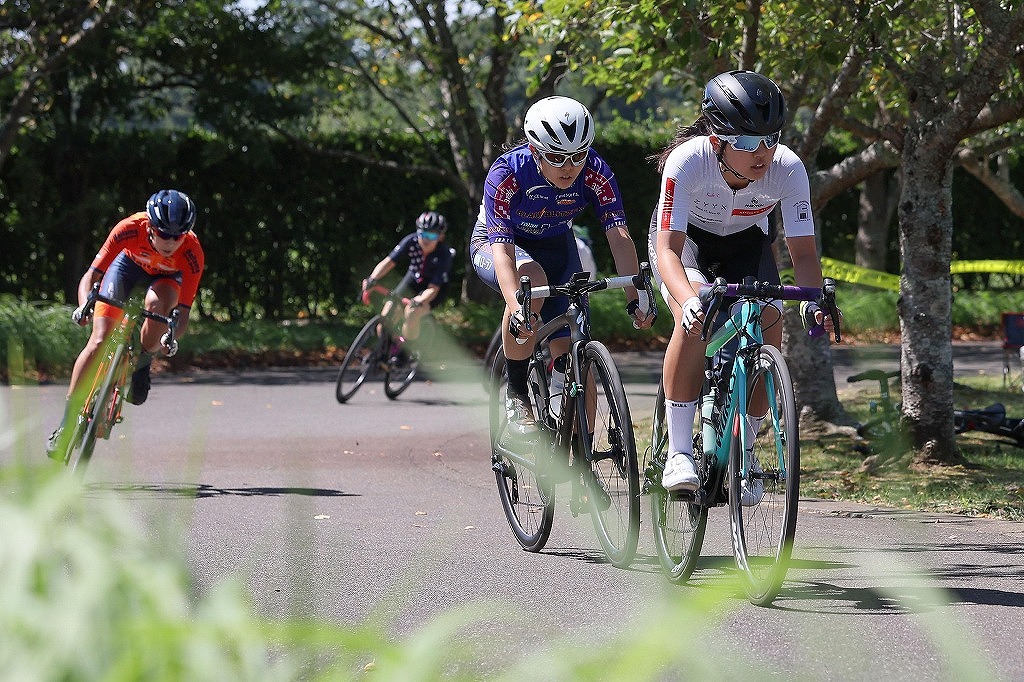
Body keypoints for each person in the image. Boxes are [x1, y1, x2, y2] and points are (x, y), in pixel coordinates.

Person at [648, 70, 840, 495]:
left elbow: (803, 254)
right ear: (717, 142)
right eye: (749, 142)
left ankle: (744, 447)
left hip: (745, 244)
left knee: (771, 319)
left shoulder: (788, 169)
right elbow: (667, 251)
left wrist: (813, 301)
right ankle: (679, 451)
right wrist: (687, 299)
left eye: (771, 139)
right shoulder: (688, 161)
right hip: (688, 244)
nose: (763, 153)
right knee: (693, 317)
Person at [471, 95, 655, 433]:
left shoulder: (596, 172)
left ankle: (579, 461)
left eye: (578, 156)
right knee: (531, 284)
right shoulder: (507, 173)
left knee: (574, 356)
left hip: (557, 243)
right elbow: (502, 249)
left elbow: (618, 236)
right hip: (500, 243)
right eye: (557, 158)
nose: (569, 167)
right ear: (535, 150)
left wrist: (635, 295)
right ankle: (516, 395)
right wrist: (517, 307)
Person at [47, 189, 205, 456]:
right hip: (128, 268)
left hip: (166, 280)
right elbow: (92, 275)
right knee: (99, 340)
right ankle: (66, 423)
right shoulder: (129, 228)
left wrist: (171, 336)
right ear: (151, 227)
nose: (170, 241)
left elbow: (183, 312)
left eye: (178, 236)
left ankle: (143, 362)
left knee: (157, 305)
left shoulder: (192, 253)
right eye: (164, 233)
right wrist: (85, 305)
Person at [361, 211, 454, 366]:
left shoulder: (444, 255)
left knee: (412, 312)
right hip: (413, 278)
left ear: (440, 237)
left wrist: (419, 300)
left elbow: (433, 289)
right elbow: (389, 262)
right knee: (387, 313)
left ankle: (405, 351)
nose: (426, 239)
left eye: (432, 236)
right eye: (423, 234)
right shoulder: (410, 242)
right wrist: (372, 278)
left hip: (433, 288)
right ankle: (383, 352)